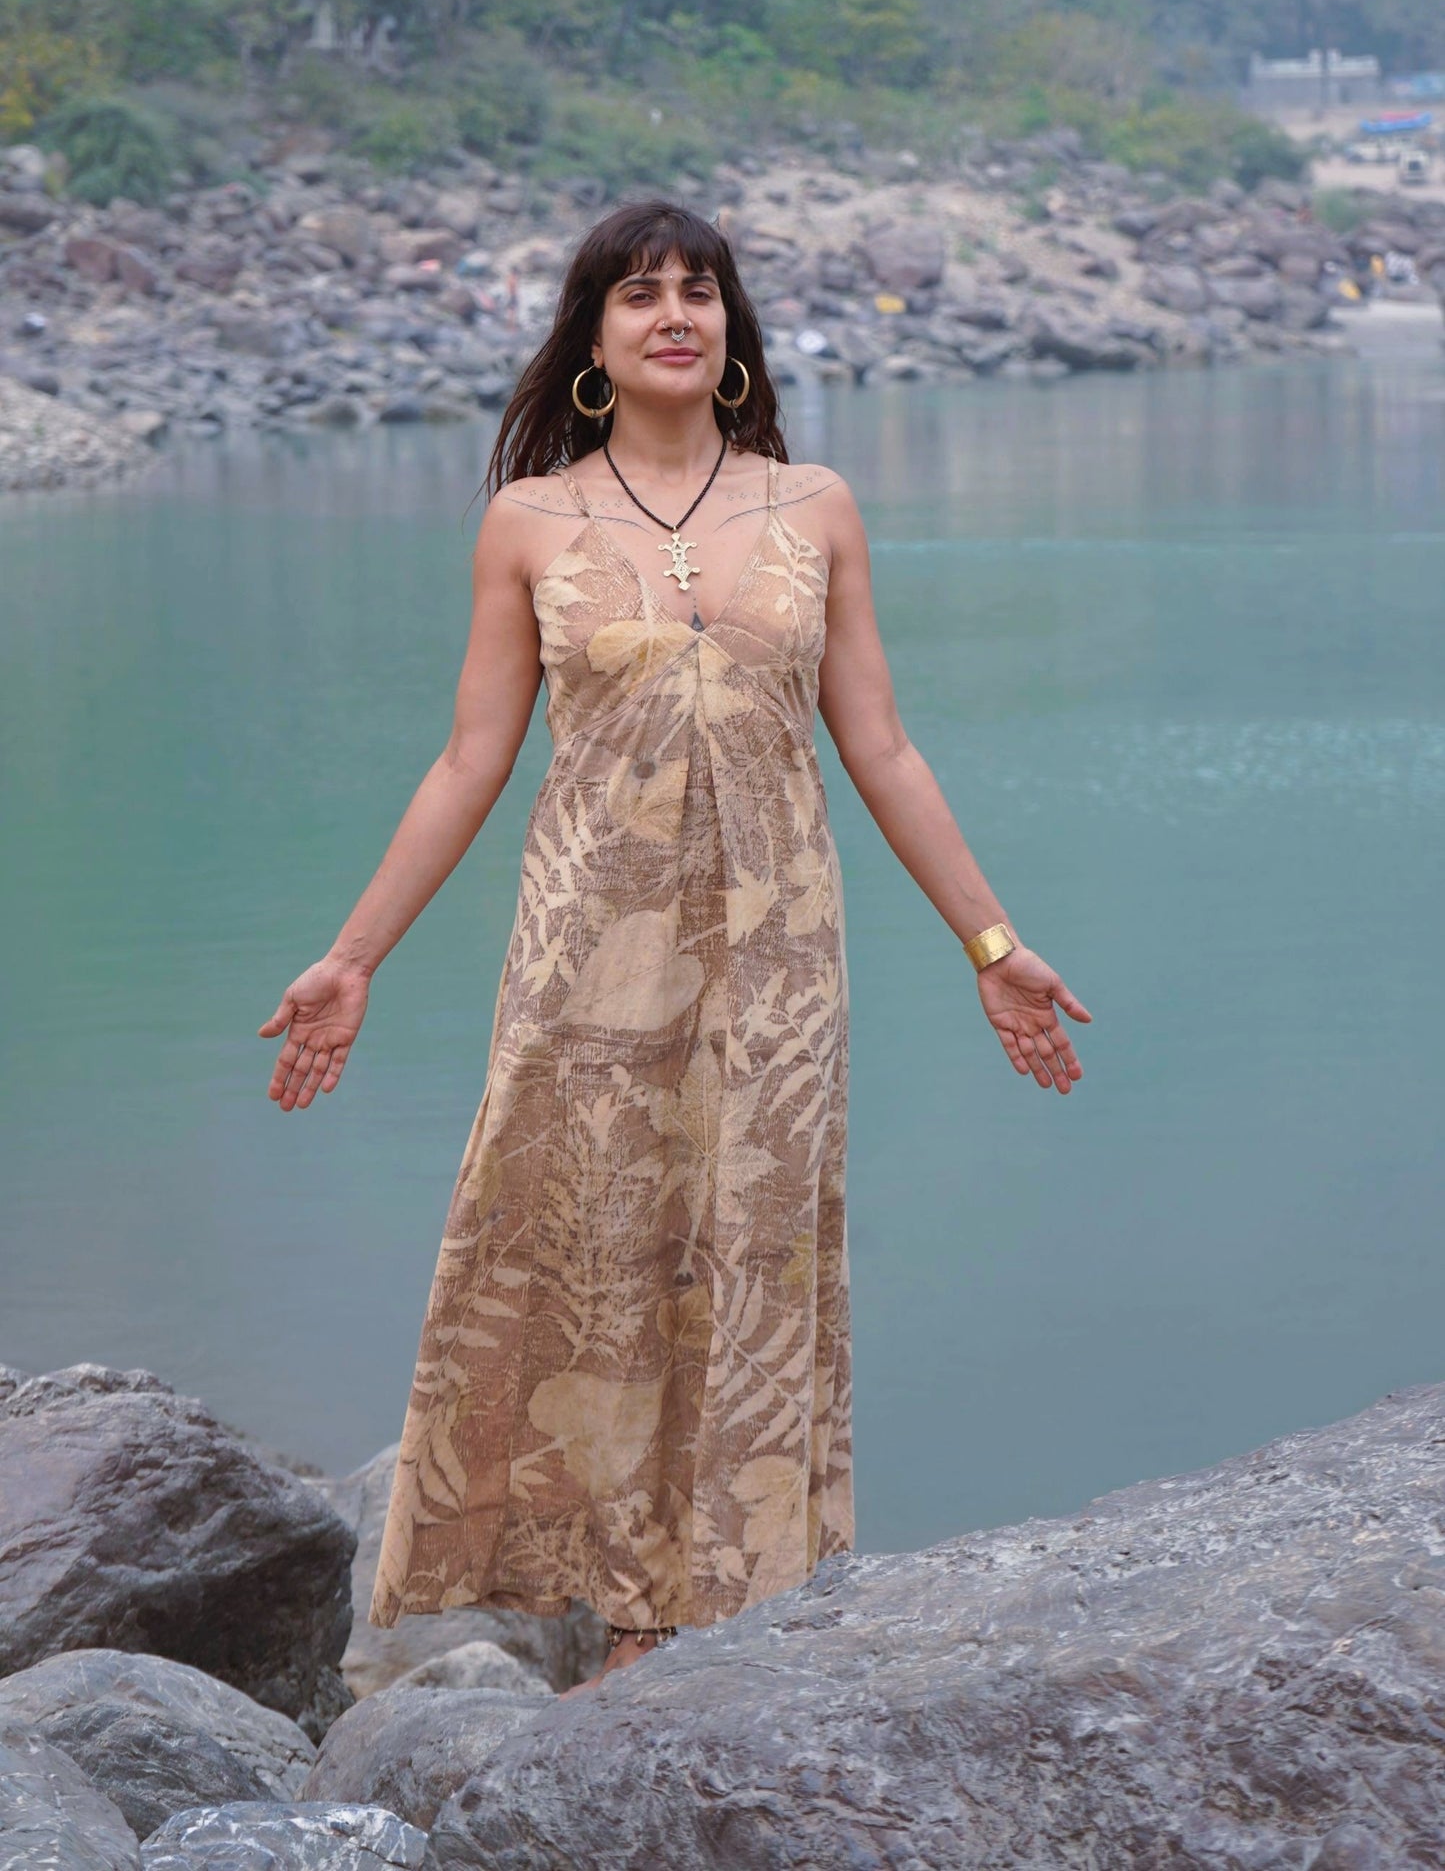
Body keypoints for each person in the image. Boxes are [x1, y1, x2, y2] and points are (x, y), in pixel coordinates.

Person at [258, 200, 1091, 1691]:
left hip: (776, 963)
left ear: (730, 332)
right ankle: (615, 1608)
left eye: (696, 293)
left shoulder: (811, 505)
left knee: (750, 1256)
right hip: (587, 952)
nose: (672, 315)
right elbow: (468, 762)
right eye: (636, 296)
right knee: (583, 1253)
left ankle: (721, 1613)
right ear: (591, 340)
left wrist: (990, 943)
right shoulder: (529, 521)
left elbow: (883, 749)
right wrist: (354, 957)